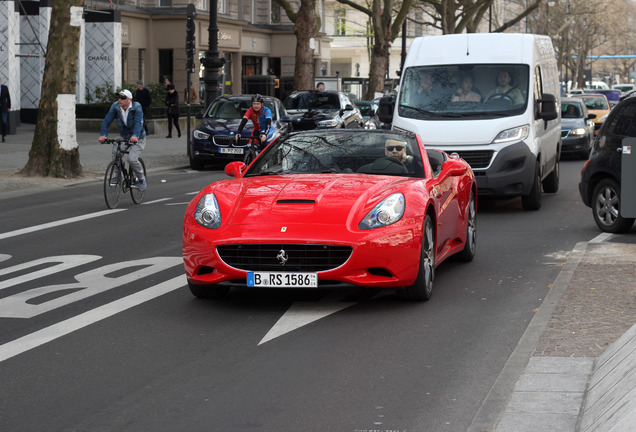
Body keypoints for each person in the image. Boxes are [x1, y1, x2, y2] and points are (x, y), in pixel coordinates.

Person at [98, 89, 147, 192]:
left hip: (138, 137)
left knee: (132, 159)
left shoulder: (136, 106)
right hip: (124, 136)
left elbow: (139, 122)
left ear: (129, 100)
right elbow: (107, 120)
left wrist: (135, 136)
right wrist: (103, 135)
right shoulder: (115, 106)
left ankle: (141, 179)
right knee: (115, 152)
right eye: (119, 97)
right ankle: (117, 176)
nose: (120, 100)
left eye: (123, 98)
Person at [0, 77, 10, 142]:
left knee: (4, 121)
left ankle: (4, 134)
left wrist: (9, 107)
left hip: (3, 107)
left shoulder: (4, 88)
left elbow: (8, 98)